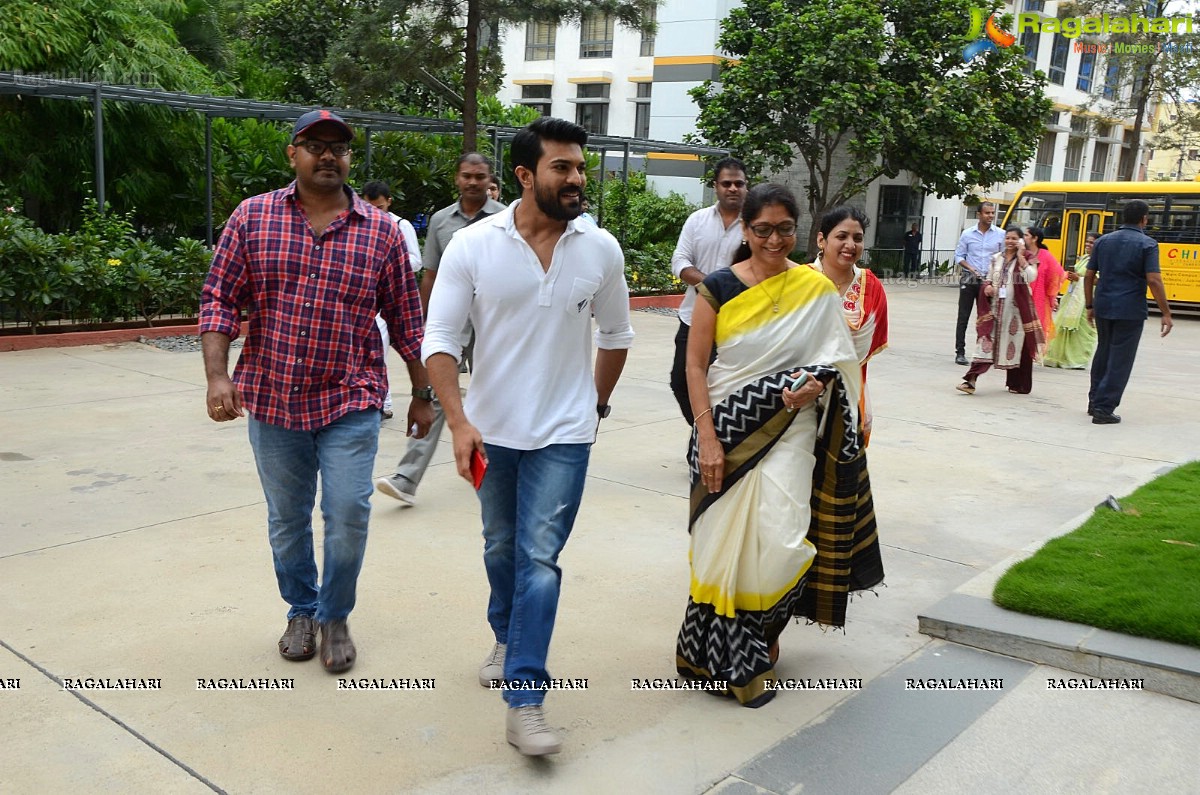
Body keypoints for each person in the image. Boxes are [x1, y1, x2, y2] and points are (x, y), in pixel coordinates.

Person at [423, 117, 633, 755]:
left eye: (578, 167)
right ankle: (505, 633)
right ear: (523, 175)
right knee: (501, 547)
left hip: (566, 433)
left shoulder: (600, 248)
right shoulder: (474, 246)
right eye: (561, 168)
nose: (576, 178)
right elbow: (439, 342)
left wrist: (593, 403)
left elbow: (617, 335)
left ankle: (525, 700)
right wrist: (459, 423)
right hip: (490, 432)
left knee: (539, 560)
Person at [199, 110, 434, 674]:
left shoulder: (380, 232)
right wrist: (216, 374)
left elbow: (408, 321)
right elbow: (219, 299)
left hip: (349, 398)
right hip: (273, 398)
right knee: (287, 517)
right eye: (315, 145)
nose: (328, 155)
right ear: (293, 154)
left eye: (339, 148)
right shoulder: (252, 217)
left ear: (350, 159)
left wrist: (424, 393)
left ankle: (334, 615)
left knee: (349, 511)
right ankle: (301, 609)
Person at [676, 184, 883, 708]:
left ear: (799, 231)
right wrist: (707, 435)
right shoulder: (717, 288)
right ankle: (732, 656)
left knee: (784, 540)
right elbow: (696, 365)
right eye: (762, 229)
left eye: (784, 228)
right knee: (719, 544)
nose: (774, 238)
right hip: (726, 424)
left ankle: (759, 635)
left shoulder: (814, 292)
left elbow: (838, 362)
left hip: (791, 430)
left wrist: (818, 386)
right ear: (744, 231)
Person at [374, 153, 505, 506]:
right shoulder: (441, 221)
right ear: (457, 179)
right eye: (467, 176)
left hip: (497, 322)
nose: (473, 182)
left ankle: (500, 471)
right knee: (433, 393)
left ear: (489, 179)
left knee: (496, 396)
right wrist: (423, 322)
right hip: (453, 321)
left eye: (480, 176)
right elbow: (430, 275)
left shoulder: (508, 218)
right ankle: (407, 477)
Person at [668, 157, 749, 423]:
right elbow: (680, 260)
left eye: (739, 183)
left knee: (725, 388)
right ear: (716, 186)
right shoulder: (697, 220)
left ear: (747, 187)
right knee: (680, 381)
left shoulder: (754, 227)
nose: (733, 188)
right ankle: (703, 434)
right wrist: (713, 288)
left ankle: (720, 439)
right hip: (693, 317)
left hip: (736, 323)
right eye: (727, 183)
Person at [1085, 200, 1174, 424]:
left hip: (1104, 305)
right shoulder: (1148, 244)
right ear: (1144, 219)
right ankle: (1104, 409)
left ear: (1123, 217)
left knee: (1103, 352)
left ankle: (1094, 401)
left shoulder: (1103, 241)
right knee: (1120, 359)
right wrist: (1166, 312)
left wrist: (1089, 305)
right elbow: (1154, 279)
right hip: (1130, 309)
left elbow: (1088, 275)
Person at [809, 206, 888, 442]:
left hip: (850, 394)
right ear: (822, 240)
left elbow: (868, 344)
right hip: (800, 391)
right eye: (841, 236)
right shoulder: (800, 281)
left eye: (858, 238)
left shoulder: (872, 286)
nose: (850, 245)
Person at [361, 180, 423, 419]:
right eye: (370, 207)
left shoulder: (400, 225)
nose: (376, 213)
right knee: (371, 351)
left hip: (390, 295)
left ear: (389, 202)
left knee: (381, 350)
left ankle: (384, 404)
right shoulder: (360, 224)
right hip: (367, 298)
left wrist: (390, 265)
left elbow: (416, 260)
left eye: (380, 207)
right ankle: (380, 401)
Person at [956, 227, 1043, 396]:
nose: (1010, 241)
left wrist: (1020, 257)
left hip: (1016, 313)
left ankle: (1018, 384)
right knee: (985, 343)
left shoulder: (1028, 258)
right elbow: (989, 277)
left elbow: (1031, 277)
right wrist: (987, 286)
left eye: (1014, 238)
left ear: (1020, 241)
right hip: (995, 310)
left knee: (1018, 348)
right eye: (1007, 238)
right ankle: (970, 381)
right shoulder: (996, 258)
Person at [954, 202, 1005, 365]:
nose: (990, 216)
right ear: (979, 214)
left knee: (988, 317)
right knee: (963, 316)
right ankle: (960, 352)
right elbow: (959, 256)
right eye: (987, 213)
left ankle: (986, 351)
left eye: (992, 213)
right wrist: (971, 268)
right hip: (969, 279)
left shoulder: (1000, 234)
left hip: (989, 282)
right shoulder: (967, 234)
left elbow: (1004, 257)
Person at [1044, 233, 1099, 369]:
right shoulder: (1085, 258)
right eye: (1087, 242)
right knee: (1061, 327)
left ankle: (1077, 359)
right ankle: (1060, 358)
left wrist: (1079, 279)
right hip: (1072, 298)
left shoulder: (1101, 260)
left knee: (1082, 331)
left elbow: (1099, 280)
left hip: (1086, 301)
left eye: (1091, 243)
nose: (1088, 245)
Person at [1026, 226, 1065, 345]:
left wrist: (1052, 295)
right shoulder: (1021, 253)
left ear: (1034, 238)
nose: (1023, 238)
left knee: (1037, 324)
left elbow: (1057, 273)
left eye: (1026, 235)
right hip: (1023, 294)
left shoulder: (1045, 255)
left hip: (1039, 296)